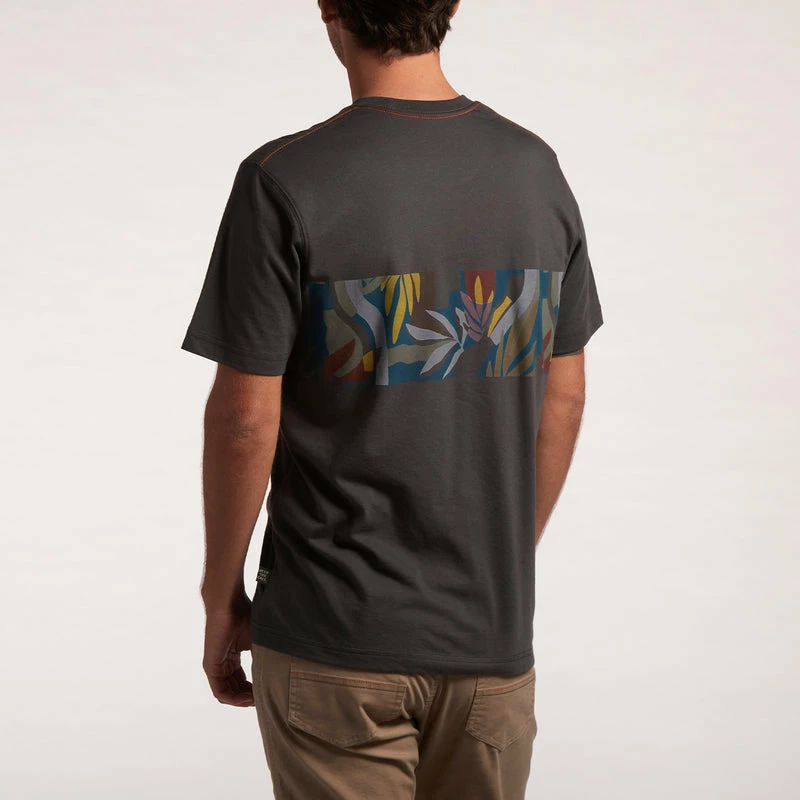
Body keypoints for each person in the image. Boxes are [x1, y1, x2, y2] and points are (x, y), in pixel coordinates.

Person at [181, 1, 604, 797]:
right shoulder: (534, 170)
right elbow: (565, 397)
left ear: (329, 6)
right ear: (451, 4)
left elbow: (244, 419)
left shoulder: (284, 179)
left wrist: (220, 597)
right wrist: (498, 559)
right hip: (488, 639)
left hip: (333, 633)